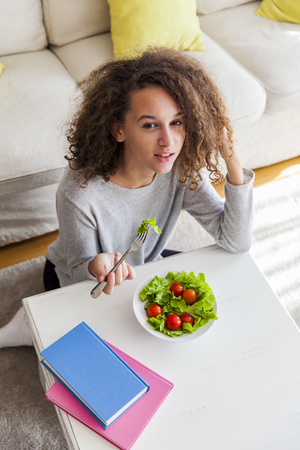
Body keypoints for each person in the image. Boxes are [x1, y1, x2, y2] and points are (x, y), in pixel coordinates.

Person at [0, 47, 254, 348]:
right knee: (97, 347)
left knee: (207, 302)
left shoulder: (180, 168)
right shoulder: (78, 192)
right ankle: (22, 327)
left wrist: (233, 163)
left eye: (177, 122)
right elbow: (80, 272)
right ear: (119, 129)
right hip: (78, 277)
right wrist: (96, 264)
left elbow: (236, 241)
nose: (168, 141)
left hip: (142, 264)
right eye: (150, 125)